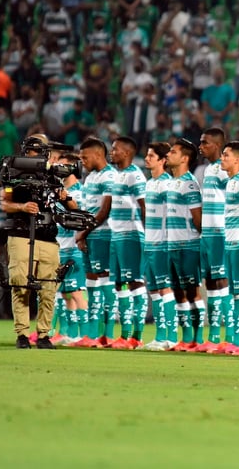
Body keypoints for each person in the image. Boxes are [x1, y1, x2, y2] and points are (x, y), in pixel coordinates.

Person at [1, 136, 68, 348]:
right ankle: (22, 334)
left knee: (49, 288)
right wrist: (22, 207)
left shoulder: (53, 175)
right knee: (20, 284)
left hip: (48, 236)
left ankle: (44, 335)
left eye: (42, 150)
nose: (39, 154)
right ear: (26, 152)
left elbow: (66, 200)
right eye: (35, 151)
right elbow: (5, 201)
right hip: (21, 234)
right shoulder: (12, 173)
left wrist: (67, 198)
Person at [107, 136, 148, 350]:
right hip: (116, 235)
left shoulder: (135, 176)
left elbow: (144, 207)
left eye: (115, 150)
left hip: (132, 235)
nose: (111, 153)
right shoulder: (117, 176)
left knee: (135, 283)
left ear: (126, 153)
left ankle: (137, 337)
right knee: (119, 285)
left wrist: (147, 236)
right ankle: (124, 336)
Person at [76, 137, 117, 348]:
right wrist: (82, 233)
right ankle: (92, 334)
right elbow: (86, 209)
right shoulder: (90, 177)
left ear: (98, 155)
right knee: (91, 285)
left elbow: (104, 211)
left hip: (104, 235)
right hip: (90, 235)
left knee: (105, 284)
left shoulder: (110, 176)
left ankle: (107, 334)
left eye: (85, 156)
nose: (81, 160)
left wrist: (83, 233)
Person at [164, 139, 203, 351]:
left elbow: (198, 219)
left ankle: (197, 338)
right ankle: (186, 337)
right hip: (172, 245)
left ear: (184, 158)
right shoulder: (171, 182)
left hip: (188, 245)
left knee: (192, 292)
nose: (168, 154)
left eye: (173, 151)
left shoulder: (190, 183)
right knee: (178, 292)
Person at [196, 128, 231, 352]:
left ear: (217, 146)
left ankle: (226, 336)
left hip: (220, 233)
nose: (201, 146)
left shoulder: (225, 170)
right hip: (207, 233)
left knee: (222, 283)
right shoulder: (208, 169)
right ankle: (214, 335)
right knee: (210, 284)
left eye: (205, 143)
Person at [141, 142, 177, 351]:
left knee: (166, 289)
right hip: (150, 243)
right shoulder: (150, 183)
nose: (147, 159)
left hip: (163, 244)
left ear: (163, 160)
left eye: (151, 156)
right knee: (154, 290)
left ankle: (170, 337)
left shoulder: (167, 183)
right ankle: (159, 335)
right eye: (147, 155)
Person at [54, 153, 88, 346]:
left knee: (76, 292)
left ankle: (86, 334)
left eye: (64, 166)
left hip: (74, 248)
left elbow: (80, 217)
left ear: (74, 168)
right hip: (60, 247)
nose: (60, 169)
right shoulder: (59, 190)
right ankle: (72, 334)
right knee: (66, 294)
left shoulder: (79, 192)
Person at [220, 141, 239, 354]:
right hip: (229, 243)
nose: (222, 158)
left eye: (226, 155)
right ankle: (235, 340)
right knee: (234, 293)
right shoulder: (230, 182)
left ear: (238, 159)